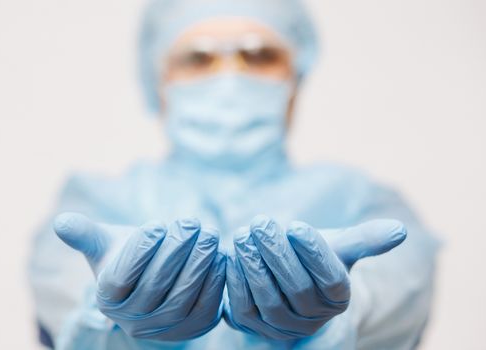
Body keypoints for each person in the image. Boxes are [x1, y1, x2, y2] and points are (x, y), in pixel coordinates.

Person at [28, 0, 439, 349]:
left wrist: (337, 310)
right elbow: (63, 304)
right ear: (159, 82)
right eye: (198, 58)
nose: (229, 76)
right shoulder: (99, 202)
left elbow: (401, 290)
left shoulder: (360, 201)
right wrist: (112, 316)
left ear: (295, 80)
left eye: (259, 55)